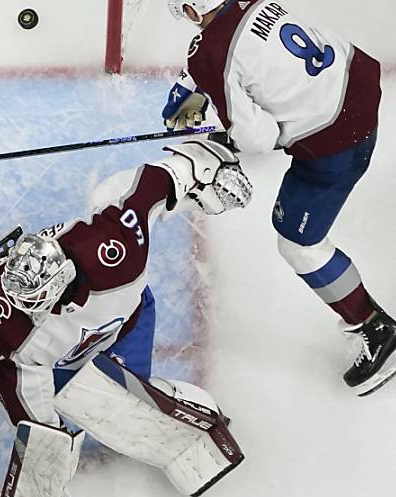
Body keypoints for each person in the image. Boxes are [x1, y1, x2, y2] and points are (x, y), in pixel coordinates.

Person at [0, 141, 250, 497]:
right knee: (85, 396)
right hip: (69, 356)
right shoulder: (6, 322)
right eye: (23, 302)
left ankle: (204, 417)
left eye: (36, 302)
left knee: (134, 398)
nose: (27, 310)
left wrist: (208, 167)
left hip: (131, 321)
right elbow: (21, 391)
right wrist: (47, 443)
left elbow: (151, 185)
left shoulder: (114, 247)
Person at [162, 0, 393, 396]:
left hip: (337, 141)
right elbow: (243, 48)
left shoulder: (209, 55)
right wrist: (200, 82)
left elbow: (260, 137)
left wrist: (225, 132)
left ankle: (375, 327)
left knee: (298, 241)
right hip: (358, 86)